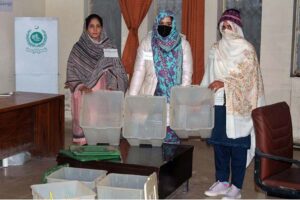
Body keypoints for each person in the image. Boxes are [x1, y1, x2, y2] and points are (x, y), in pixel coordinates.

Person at [200, 9, 265, 199]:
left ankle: (236, 187)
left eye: (230, 26)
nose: (226, 29)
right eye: (223, 26)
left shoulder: (246, 49)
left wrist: (225, 83)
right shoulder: (216, 48)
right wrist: (201, 94)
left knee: (237, 147)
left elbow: (249, 79)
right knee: (219, 145)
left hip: (239, 107)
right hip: (219, 102)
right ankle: (221, 181)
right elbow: (209, 75)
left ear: (237, 27)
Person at [128, 10, 193, 144]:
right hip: (151, 96)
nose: (165, 26)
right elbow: (139, 72)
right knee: (150, 141)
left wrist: (181, 99)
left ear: (173, 24)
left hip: (173, 98)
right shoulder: (147, 43)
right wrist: (132, 100)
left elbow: (187, 74)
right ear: (156, 24)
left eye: (168, 24)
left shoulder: (183, 44)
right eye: (162, 23)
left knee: (170, 144)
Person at [65, 14, 129, 145]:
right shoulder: (78, 48)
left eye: (98, 26)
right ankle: (84, 143)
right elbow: (71, 69)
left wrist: (112, 85)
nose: (95, 30)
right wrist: (81, 86)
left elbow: (116, 69)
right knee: (85, 116)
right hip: (83, 90)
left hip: (102, 89)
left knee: (98, 117)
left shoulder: (109, 47)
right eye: (91, 26)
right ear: (86, 28)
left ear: (102, 28)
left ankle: (99, 141)